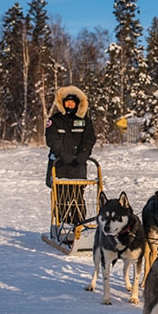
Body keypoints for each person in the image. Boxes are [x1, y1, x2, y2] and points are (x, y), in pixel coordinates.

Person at [45, 85, 96, 224]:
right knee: (61, 198)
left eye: (72, 102)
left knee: (77, 198)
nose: (69, 105)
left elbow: (89, 139)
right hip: (59, 165)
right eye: (67, 102)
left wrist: (83, 154)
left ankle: (79, 226)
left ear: (77, 104)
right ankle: (62, 226)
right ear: (62, 103)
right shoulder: (55, 120)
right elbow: (51, 139)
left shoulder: (85, 121)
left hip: (77, 166)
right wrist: (62, 154)